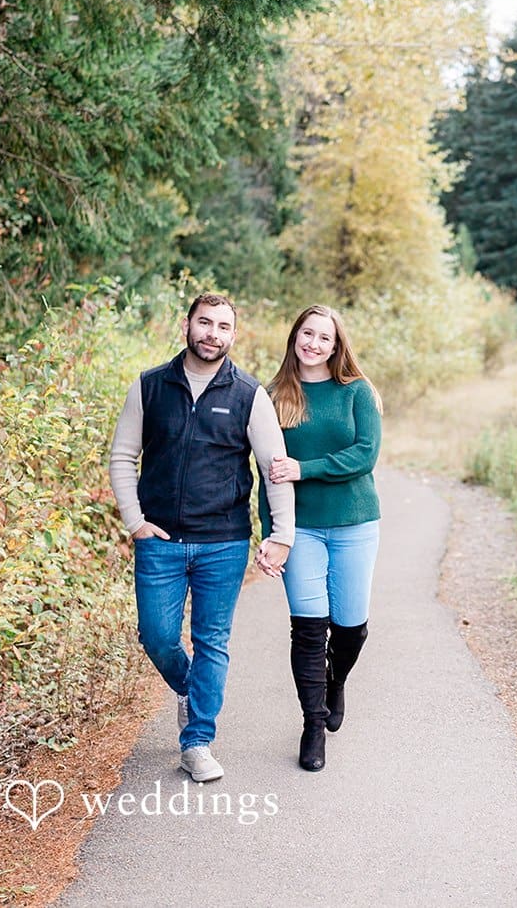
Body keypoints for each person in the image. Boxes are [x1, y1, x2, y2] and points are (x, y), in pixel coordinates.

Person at [109, 292, 294, 783]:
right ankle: (192, 692)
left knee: (212, 640)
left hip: (223, 542)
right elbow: (123, 457)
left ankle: (197, 742)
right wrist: (135, 522)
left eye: (224, 326)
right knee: (158, 636)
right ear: (187, 325)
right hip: (160, 540)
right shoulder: (149, 387)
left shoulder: (249, 396)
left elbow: (275, 471)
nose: (213, 333)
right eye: (205, 323)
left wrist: (283, 534)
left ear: (234, 335)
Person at [264, 304, 383, 772]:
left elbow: (365, 454)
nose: (313, 343)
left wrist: (305, 468)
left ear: (337, 346)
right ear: (295, 337)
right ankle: (313, 725)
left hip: (355, 523)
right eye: (307, 334)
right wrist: (274, 535)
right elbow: (268, 473)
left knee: (351, 628)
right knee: (309, 629)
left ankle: (336, 684)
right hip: (302, 529)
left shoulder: (357, 391)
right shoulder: (274, 396)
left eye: (324, 338)